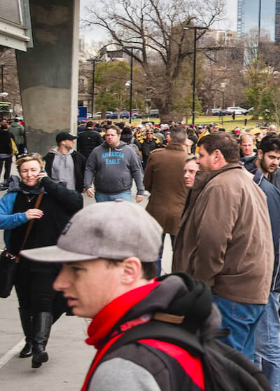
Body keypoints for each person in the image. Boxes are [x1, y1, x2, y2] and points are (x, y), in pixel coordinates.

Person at [18, 201, 238, 391]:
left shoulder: (126, 369)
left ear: (128, 271)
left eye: (76, 270)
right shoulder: (174, 325)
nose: (59, 283)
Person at [172, 132, 273, 360]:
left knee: (223, 367)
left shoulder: (222, 186)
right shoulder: (245, 182)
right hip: (249, 290)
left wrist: (201, 287)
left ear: (217, 156)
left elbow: (212, 243)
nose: (198, 161)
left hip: (231, 293)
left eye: (201, 155)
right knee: (240, 366)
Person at [0, 154, 83, 367]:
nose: (29, 175)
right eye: (25, 171)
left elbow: (76, 202)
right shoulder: (12, 196)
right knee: (26, 302)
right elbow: (1, 220)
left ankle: (39, 347)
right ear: (19, 173)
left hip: (48, 258)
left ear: (42, 170)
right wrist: (22, 216)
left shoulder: (53, 192)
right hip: (20, 259)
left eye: (34, 170)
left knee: (43, 299)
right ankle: (30, 341)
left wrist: (47, 182)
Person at [249, 136, 280, 389]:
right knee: (256, 346)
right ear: (260, 153)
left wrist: (273, 281)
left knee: (268, 345)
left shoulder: (273, 185)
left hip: (269, 279)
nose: (275, 162)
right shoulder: (255, 180)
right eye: (271, 157)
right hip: (261, 277)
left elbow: (278, 236)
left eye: (278, 158)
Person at [142, 127, 190, 274]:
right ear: (185, 141)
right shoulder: (190, 160)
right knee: (180, 254)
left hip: (157, 210)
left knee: (155, 253)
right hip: (181, 212)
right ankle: (177, 282)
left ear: (169, 139)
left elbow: (147, 182)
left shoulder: (156, 156)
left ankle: (154, 282)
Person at [83, 125, 145, 203]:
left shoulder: (128, 151)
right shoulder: (97, 151)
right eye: (107, 135)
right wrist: (88, 186)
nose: (110, 137)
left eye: (112, 135)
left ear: (119, 136)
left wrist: (140, 190)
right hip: (102, 193)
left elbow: (136, 170)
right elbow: (89, 169)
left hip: (123, 192)